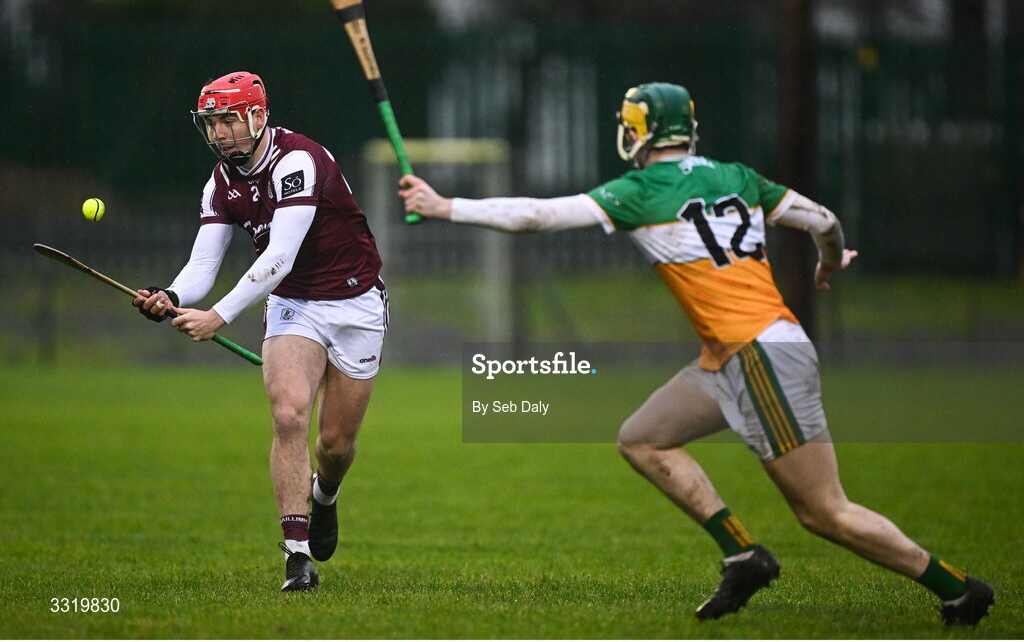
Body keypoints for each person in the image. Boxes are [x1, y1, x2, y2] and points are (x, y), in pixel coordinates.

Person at [397, 82, 994, 625]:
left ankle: (959, 590)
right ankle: (743, 554)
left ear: (640, 132)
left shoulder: (641, 189)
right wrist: (830, 263)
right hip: (734, 354)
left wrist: (447, 206)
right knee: (643, 438)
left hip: (759, 355)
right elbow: (824, 221)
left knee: (824, 513)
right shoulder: (739, 176)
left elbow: (537, 215)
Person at [133, 71, 388, 593]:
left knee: (335, 444)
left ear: (257, 115)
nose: (220, 133)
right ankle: (297, 557)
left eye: (229, 120)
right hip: (294, 304)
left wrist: (218, 316)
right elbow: (204, 263)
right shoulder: (220, 183)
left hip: (355, 302)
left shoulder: (298, 161)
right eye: (212, 123)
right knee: (289, 414)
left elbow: (280, 254)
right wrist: (172, 295)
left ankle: (325, 495)